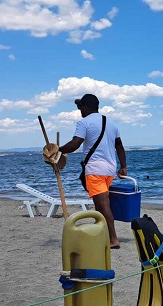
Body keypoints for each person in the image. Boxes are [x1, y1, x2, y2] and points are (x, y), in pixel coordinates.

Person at [43, 93, 127, 249]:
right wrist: (123, 166)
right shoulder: (111, 123)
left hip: (95, 169)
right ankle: (103, 235)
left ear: (87, 107)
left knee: (102, 205)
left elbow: (75, 144)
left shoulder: (84, 123)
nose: (79, 109)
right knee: (102, 205)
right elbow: (119, 146)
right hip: (110, 170)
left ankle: (113, 239)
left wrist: (57, 149)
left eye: (80, 106)